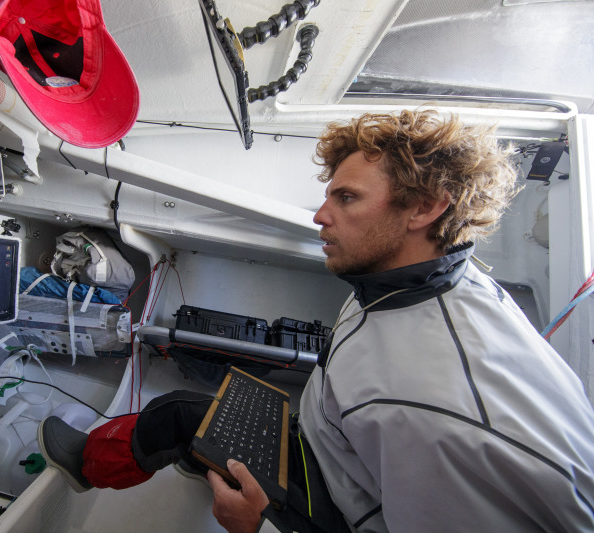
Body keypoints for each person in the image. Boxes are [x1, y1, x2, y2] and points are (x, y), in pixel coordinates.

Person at [37, 110, 594, 532]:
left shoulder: (435, 415)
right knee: (206, 411)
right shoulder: (420, 281)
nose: (320, 216)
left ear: (425, 208)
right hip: (337, 449)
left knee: (174, 414)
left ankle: (88, 465)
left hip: (343, 504)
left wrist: (253, 524)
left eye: (346, 199)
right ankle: (206, 458)